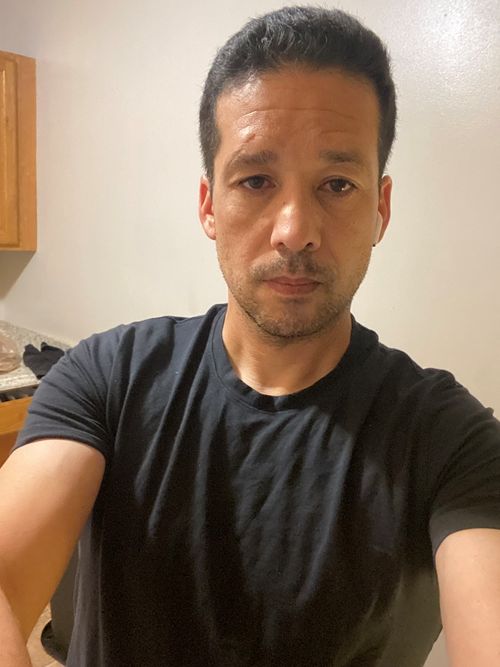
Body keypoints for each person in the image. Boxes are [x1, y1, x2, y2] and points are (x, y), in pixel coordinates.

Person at [1, 5, 499, 667]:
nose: (295, 230)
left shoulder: (450, 440)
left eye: (337, 184)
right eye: (256, 180)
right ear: (210, 204)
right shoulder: (106, 377)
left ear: (380, 208)